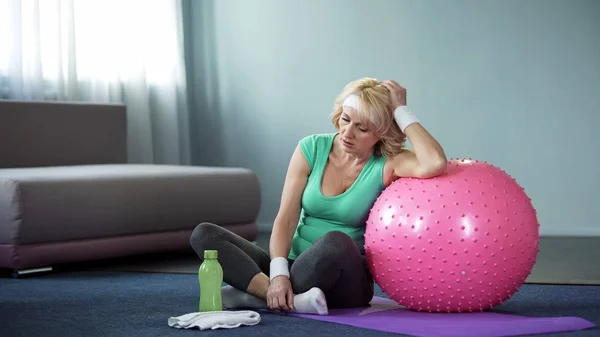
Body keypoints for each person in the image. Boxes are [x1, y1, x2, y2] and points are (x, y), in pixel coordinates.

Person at [190, 78, 447, 315]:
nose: (348, 133)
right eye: (346, 120)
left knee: (336, 241)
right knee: (205, 234)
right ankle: (278, 295)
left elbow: (435, 162)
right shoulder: (311, 148)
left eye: (362, 128)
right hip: (293, 266)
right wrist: (279, 275)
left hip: (345, 280)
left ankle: (254, 296)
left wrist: (400, 110)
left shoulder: (389, 162)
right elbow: (287, 219)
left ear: (381, 132)